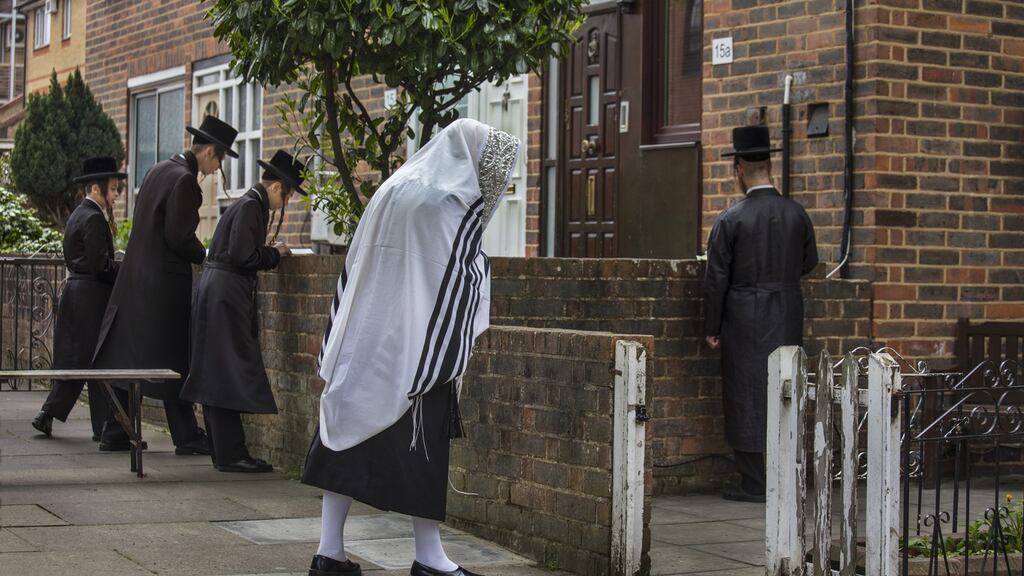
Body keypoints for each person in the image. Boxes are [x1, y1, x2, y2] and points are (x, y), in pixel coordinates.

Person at [305, 119, 519, 576]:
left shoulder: (392, 188)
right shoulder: (453, 201)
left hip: (362, 335)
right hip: (418, 341)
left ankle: (329, 553)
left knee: (342, 437)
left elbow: (355, 257)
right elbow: (464, 273)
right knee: (424, 453)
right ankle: (430, 559)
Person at [92, 116, 239, 453]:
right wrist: (206, 255)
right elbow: (178, 237)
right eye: (220, 160)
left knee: (132, 356)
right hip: (163, 285)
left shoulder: (158, 170)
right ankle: (186, 437)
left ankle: (115, 430)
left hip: (136, 278)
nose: (217, 169)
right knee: (174, 361)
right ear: (210, 152)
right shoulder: (185, 180)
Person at [704, 125, 819, 503]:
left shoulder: (730, 219)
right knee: (786, 390)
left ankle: (754, 481)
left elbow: (716, 278)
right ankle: (786, 473)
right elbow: (809, 262)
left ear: (738, 169)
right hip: (786, 311)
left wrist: (712, 326)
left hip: (742, 316)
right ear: (769, 166)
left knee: (744, 392)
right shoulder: (797, 214)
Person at [180, 150, 304, 473]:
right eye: (287, 195)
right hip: (225, 295)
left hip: (216, 291)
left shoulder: (246, 204)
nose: (285, 203)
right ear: (277, 187)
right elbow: (243, 255)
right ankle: (232, 453)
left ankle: (227, 452)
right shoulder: (251, 206)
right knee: (225, 371)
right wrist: (274, 254)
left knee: (217, 372)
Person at [32, 157, 126, 442]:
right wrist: (124, 270)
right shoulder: (94, 217)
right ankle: (105, 428)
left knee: (80, 360)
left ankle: (101, 427)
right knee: (94, 361)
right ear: (96, 189)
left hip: (76, 293)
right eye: (112, 189)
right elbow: (100, 265)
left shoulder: (77, 214)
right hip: (91, 297)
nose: (116, 195)